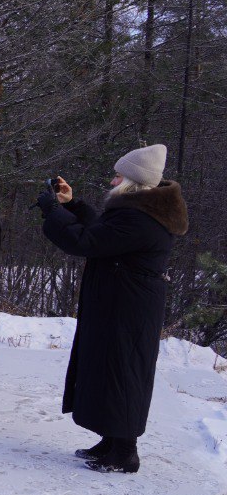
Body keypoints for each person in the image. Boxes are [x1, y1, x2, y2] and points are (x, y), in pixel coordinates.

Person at [37, 144, 188, 473]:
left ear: (134, 181)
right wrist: (72, 205)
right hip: (121, 302)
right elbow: (102, 232)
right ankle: (111, 441)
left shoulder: (140, 218)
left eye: (118, 176)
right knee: (109, 369)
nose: (112, 181)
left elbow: (86, 241)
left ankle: (125, 453)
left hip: (128, 307)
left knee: (123, 372)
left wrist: (52, 210)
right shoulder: (139, 211)